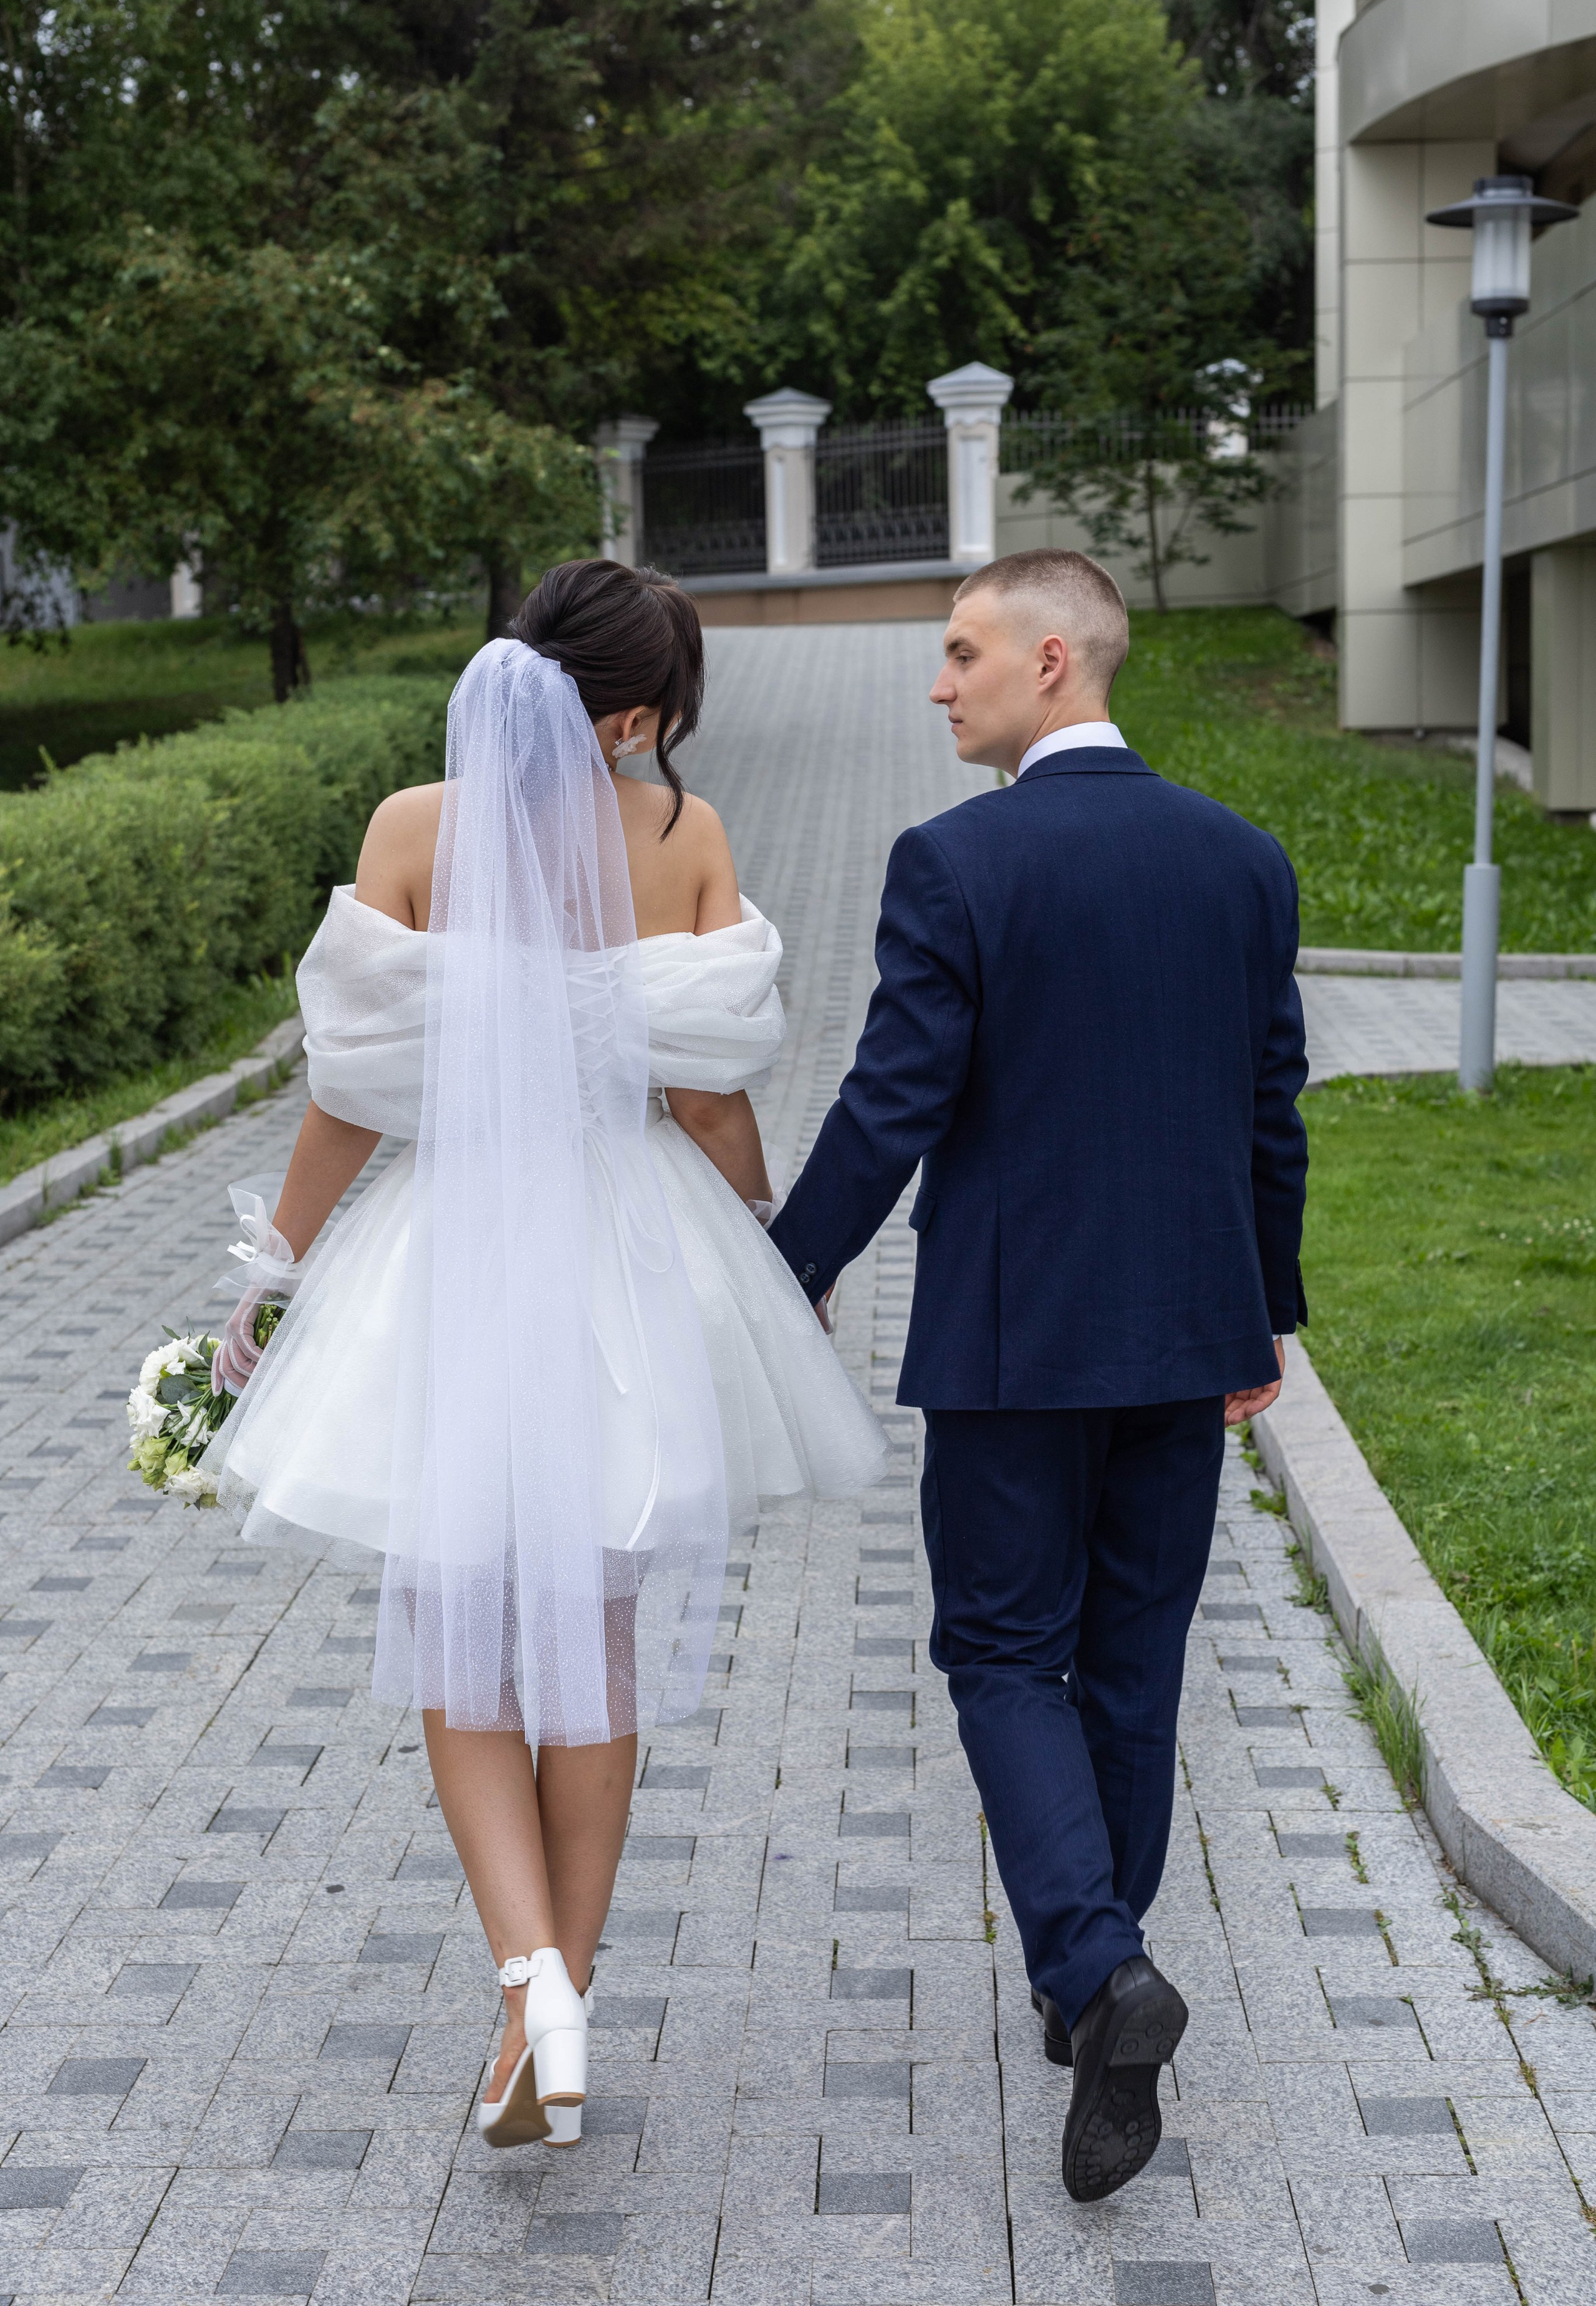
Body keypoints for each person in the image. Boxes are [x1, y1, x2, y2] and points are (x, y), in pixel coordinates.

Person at [201, 560, 886, 2153]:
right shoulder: (681, 838)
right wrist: (780, 1268)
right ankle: (557, 1994)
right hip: (634, 1262)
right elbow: (712, 1100)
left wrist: (279, 1265)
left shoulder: (411, 832)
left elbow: (352, 1090)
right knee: (598, 1653)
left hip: (451, 1264)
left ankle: (528, 1988)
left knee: (461, 1654)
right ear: (633, 712)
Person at [768, 547, 1309, 2203]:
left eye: (960, 652)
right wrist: (1265, 1319)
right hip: (1189, 1335)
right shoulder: (1243, 860)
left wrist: (783, 1271)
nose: (939, 684)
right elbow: (1273, 1106)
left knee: (1005, 1655)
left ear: (1055, 663)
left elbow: (891, 1103)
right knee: (1131, 1667)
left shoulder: (958, 864)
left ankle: (1099, 1970)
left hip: (1015, 1351)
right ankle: (1095, 1996)